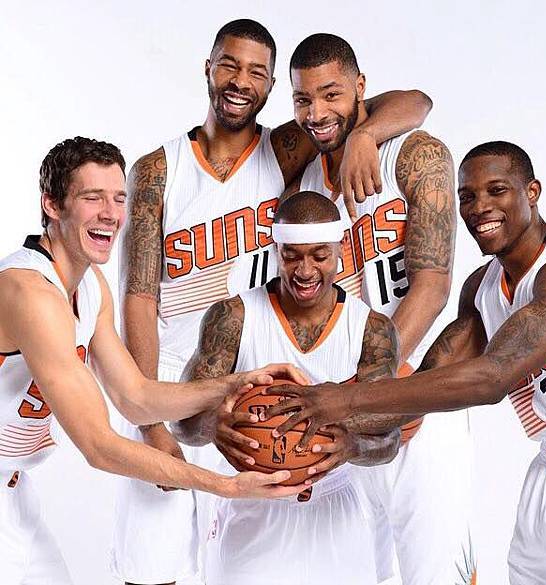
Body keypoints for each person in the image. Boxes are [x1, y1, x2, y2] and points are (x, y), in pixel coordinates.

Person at [113, 18, 432, 585]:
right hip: (172, 385)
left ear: (271, 86)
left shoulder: (286, 148)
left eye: (257, 72)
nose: (241, 81)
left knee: (247, 552)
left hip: (251, 385)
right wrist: (151, 419)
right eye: (229, 65)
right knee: (154, 560)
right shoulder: (158, 170)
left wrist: (363, 137)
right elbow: (137, 299)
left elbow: (413, 101)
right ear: (207, 68)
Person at [266, 141, 546, 585]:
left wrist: (342, 401)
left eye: (497, 190)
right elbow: (425, 388)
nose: (480, 207)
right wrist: (329, 441)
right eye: (467, 196)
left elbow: (492, 378)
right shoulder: (482, 288)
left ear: (532, 192)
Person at [0, 137, 308, 585]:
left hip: (13, 494)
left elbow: (136, 397)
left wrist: (236, 383)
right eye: (92, 198)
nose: (111, 213)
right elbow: (98, 446)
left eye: (118, 198)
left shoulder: (90, 286)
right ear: (52, 205)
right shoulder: (30, 294)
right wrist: (226, 486)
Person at [284, 33, 473, 585]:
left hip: (415, 391)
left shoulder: (415, 153)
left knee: (435, 574)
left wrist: (376, 384)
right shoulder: (303, 183)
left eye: (332, 94)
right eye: (303, 99)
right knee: (358, 572)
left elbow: (433, 286)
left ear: (361, 87)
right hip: (340, 406)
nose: (317, 113)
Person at [172, 191, 402, 585]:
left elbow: (389, 439)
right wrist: (211, 426)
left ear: (340, 251)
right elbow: (181, 421)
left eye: (319, 256)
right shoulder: (232, 318)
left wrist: (352, 446)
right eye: (292, 256)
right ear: (275, 251)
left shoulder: (372, 330)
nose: (305, 270)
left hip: (335, 512)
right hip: (253, 504)